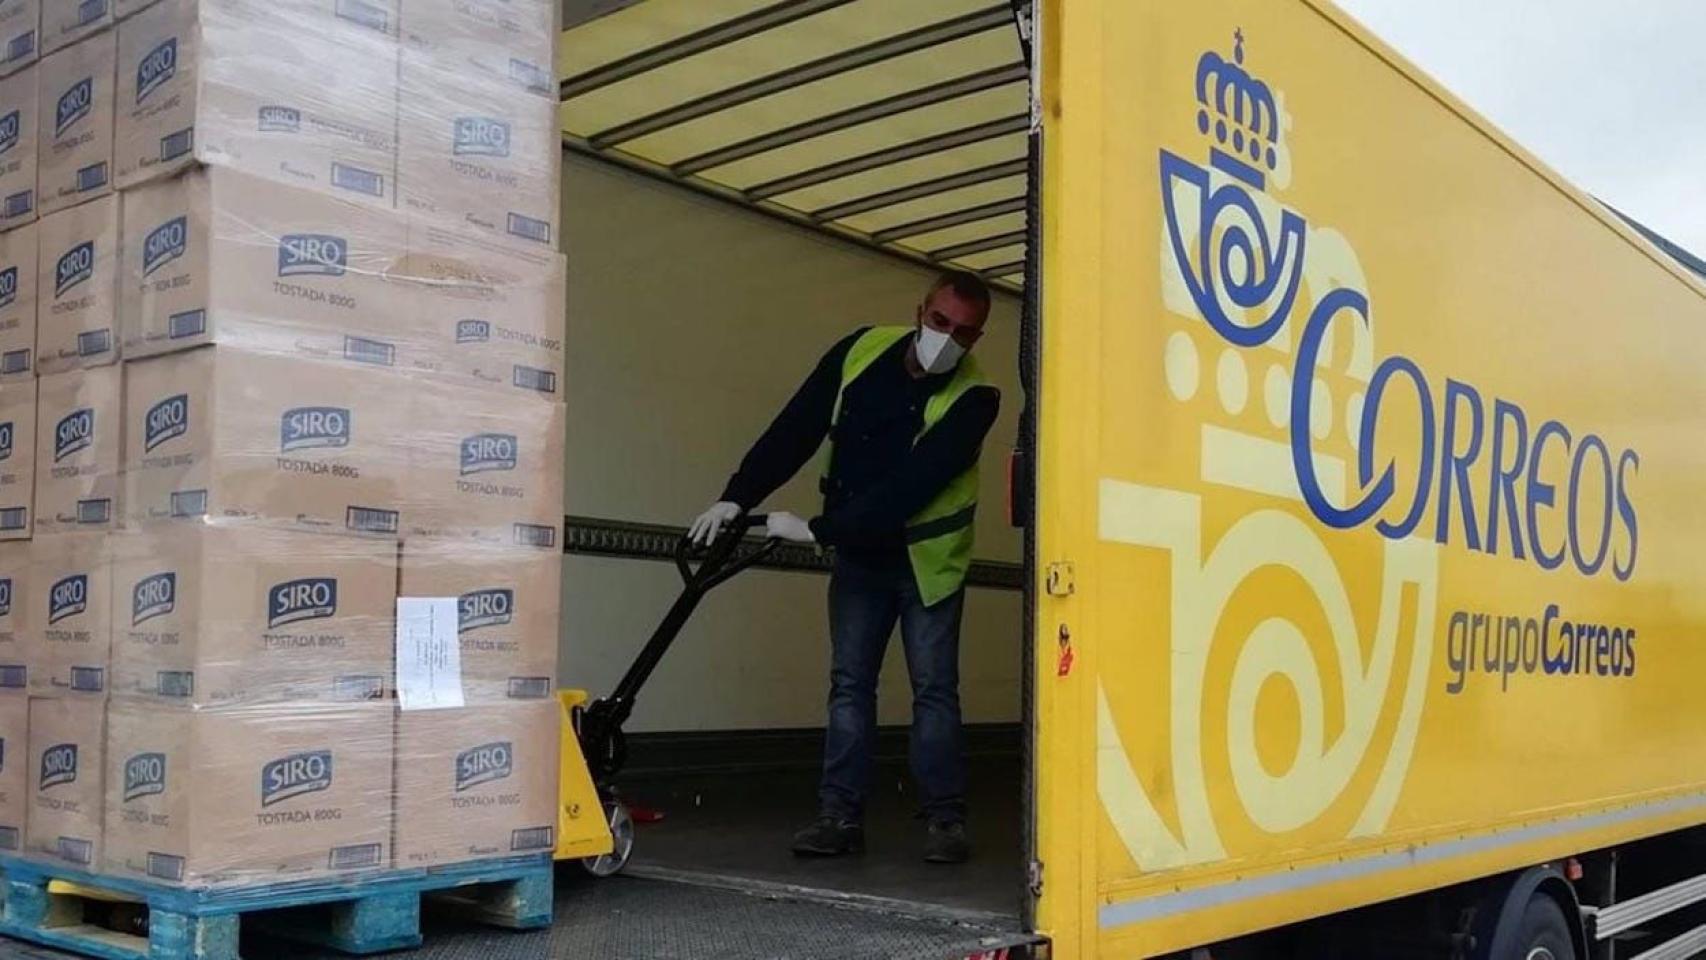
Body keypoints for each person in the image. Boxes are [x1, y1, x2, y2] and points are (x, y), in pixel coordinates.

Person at [689, 271, 1000, 865]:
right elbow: (798, 425)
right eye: (939, 323)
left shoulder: (976, 398)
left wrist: (816, 529)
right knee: (849, 686)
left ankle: (945, 822)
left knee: (934, 691)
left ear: (976, 338)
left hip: (925, 564)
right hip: (861, 560)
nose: (948, 339)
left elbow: (914, 485)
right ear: (920, 312)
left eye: (963, 333)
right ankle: (838, 818)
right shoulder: (862, 351)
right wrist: (739, 495)